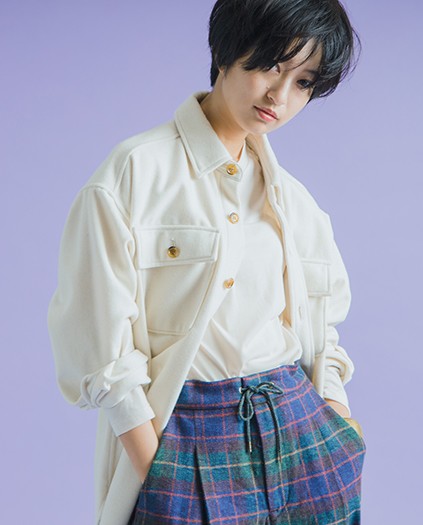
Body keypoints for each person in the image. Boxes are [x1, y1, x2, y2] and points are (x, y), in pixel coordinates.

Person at [47, 0, 366, 524]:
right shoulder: (134, 173)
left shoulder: (294, 201)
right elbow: (96, 340)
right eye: (271, 65)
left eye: (304, 82)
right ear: (225, 51)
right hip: (188, 434)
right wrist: (155, 467)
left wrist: (338, 423)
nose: (280, 96)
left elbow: (323, 327)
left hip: (299, 428)